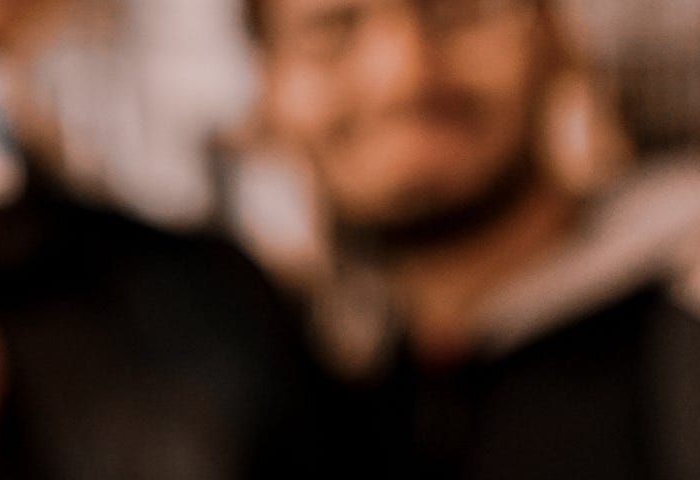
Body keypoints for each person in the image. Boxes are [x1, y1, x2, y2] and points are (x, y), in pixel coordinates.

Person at [239, 0, 700, 477]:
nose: (402, 75)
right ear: (266, 81)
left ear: (555, 35)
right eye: (330, 29)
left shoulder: (681, 322)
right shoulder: (275, 388)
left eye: (456, 11)